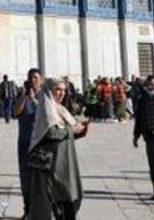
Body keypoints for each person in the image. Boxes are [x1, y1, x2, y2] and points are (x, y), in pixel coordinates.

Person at [28, 79, 87, 219]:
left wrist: (79, 131)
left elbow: (63, 132)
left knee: (68, 198)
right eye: (58, 90)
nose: (62, 93)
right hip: (53, 164)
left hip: (65, 160)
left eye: (64, 90)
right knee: (60, 198)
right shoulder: (47, 108)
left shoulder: (59, 108)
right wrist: (72, 130)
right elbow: (52, 133)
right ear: (49, 91)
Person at [12, 68, 42, 215]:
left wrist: (34, 100)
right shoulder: (22, 96)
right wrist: (25, 95)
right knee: (25, 180)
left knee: (41, 181)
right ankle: (27, 209)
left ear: (41, 80)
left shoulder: (44, 97)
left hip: (41, 145)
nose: (33, 80)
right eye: (31, 78)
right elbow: (16, 112)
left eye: (36, 78)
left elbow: (46, 115)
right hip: (24, 145)